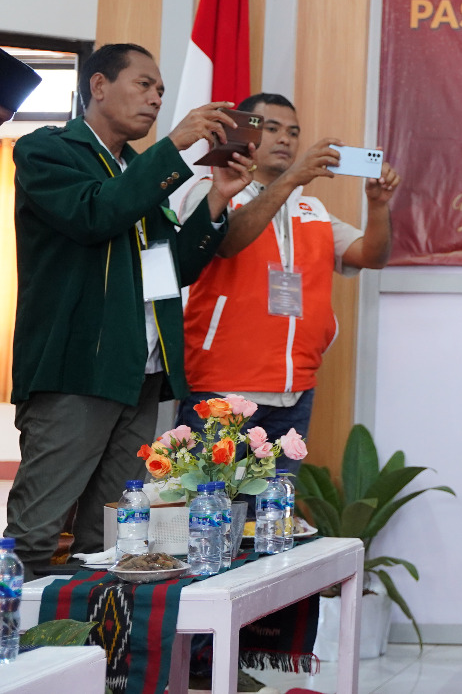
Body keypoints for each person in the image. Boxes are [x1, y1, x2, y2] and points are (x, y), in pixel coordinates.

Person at [5, 43, 249, 576]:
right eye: (144, 84)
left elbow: (172, 269)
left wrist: (216, 199)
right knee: (35, 536)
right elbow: (94, 215)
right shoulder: (48, 150)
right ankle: (14, 654)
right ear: (97, 86)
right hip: (77, 370)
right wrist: (175, 150)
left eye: (161, 90)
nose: (156, 98)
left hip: (140, 375)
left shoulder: (139, 170)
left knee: (111, 539)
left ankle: (91, 653)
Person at [176, 92, 402, 472]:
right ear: (246, 134)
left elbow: (371, 255)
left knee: (270, 517)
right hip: (222, 388)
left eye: (293, 132)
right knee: (206, 513)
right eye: (273, 128)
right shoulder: (211, 192)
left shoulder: (312, 209)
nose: (285, 139)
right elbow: (228, 242)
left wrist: (378, 205)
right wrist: (295, 177)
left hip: (294, 391)